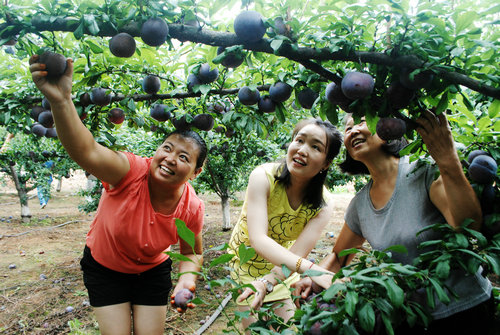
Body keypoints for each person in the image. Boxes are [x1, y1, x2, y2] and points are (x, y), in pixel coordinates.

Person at [29, 55, 207, 335]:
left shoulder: (191, 208)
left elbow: (192, 252)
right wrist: (62, 100)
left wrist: (186, 279)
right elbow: (86, 150)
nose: (170, 158)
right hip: (105, 267)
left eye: (184, 157)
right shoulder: (129, 171)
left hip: (151, 272)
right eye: (167, 148)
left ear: (196, 172)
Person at [293, 111, 493, 334]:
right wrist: (313, 278)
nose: (354, 131)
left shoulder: (423, 170)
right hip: (412, 318)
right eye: (348, 129)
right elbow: (339, 257)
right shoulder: (360, 204)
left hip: (464, 312)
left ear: (388, 128)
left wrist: (448, 161)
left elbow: (467, 227)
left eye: (361, 121)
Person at [228, 118, 343, 332]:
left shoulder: (323, 205)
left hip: (282, 268)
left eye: (315, 146)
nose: (302, 150)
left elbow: (297, 254)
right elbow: (258, 239)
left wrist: (269, 281)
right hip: (244, 266)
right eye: (299, 140)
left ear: (326, 163)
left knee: (289, 329)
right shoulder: (263, 177)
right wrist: (317, 271)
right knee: (256, 330)